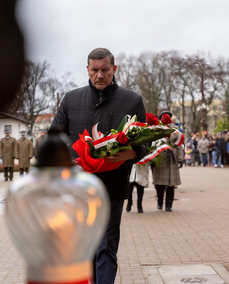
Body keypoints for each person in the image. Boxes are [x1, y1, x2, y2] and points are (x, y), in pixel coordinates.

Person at [50, 48, 148, 284]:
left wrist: (131, 152)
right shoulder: (71, 99)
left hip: (113, 187)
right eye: (95, 70)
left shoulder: (132, 101)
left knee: (106, 246)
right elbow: (53, 139)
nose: (100, 75)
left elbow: (144, 146)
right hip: (77, 187)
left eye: (105, 70)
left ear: (114, 69)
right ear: (87, 70)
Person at [152, 110, 184, 212]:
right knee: (159, 184)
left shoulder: (175, 131)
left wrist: (180, 159)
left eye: (169, 117)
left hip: (172, 160)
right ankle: (160, 202)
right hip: (160, 158)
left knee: (171, 185)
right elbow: (152, 145)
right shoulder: (157, 130)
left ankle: (169, 205)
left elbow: (179, 145)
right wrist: (152, 159)